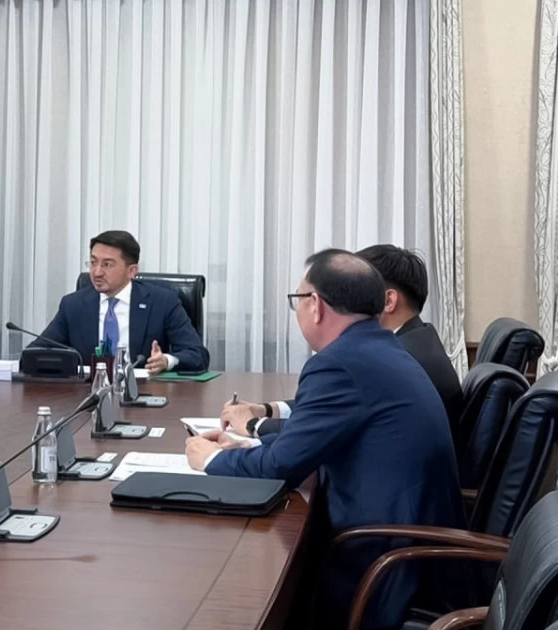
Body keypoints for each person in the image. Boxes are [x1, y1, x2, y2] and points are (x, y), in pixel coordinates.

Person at [185, 249, 465, 629]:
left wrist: (209, 458)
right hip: (414, 549)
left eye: (297, 299)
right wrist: (249, 445)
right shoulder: (379, 348)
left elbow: (279, 467)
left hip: (382, 563)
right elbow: (309, 441)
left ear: (315, 305)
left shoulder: (339, 363)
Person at [222, 244, 463, 437]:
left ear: (388, 301)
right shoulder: (416, 341)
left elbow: (319, 428)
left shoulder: (404, 359)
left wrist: (253, 424)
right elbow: (332, 406)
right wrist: (268, 410)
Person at [32, 230, 209, 372]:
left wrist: (166, 361)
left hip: (143, 392)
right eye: (93, 262)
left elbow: (197, 355)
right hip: (86, 393)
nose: (97, 272)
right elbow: (36, 353)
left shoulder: (162, 302)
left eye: (107, 264)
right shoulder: (73, 305)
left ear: (131, 271)